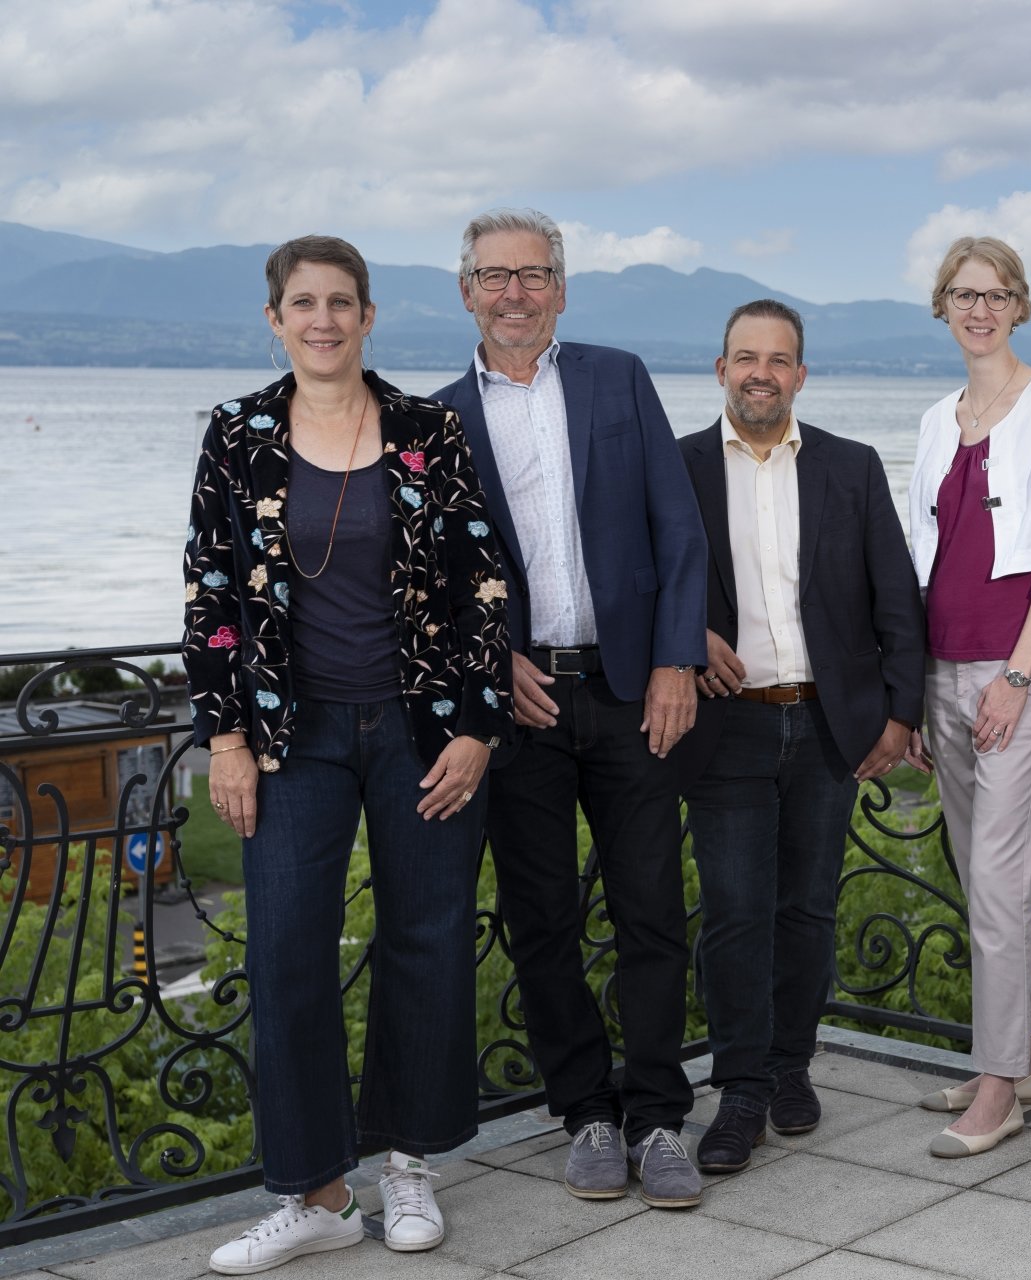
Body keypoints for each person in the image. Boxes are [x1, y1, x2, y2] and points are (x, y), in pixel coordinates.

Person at [185, 235, 514, 1274]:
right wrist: (225, 736)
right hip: (291, 739)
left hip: (420, 729)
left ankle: (409, 1163)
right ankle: (317, 1191)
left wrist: (476, 725)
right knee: (286, 953)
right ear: (275, 318)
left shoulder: (429, 429)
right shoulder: (238, 434)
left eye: (341, 302)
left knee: (427, 936)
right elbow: (209, 595)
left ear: (370, 317)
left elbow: (484, 586)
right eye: (302, 303)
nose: (322, 319)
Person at [431, 210, 709, 1208]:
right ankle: (586, 1109)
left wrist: (679, 656)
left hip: (635, 692)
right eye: (495, 275)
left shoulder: (617, 377)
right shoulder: (434, 419)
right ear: (466, 289)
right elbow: (432, 579)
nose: (515, 292)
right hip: (521, 707)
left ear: (562, 287)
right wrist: (490, 661)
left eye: (534, 274)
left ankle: (660, 1116)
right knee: (541, 918)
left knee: (653, 912)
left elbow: (677, 531)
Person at [675, 299, 926, 1172]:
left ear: (800, 375)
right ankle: (739, 1089)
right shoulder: (678, 469)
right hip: (727, 727)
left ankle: (792, 1066)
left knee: (808, 909)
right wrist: (683, 639)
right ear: (720, 369)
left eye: (778, 360)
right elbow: (639, 587)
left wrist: (901, 714)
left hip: (827, 723)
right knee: (737, 914)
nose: (761, 373)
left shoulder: (851, 468)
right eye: (746, 356)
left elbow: (896, 594)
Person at [903, 236, 1031, 1156]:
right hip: (942, 666)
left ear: (1020, 305)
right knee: (982, 872)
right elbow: (916, 556)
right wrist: (911, 688)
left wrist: (1020, 675)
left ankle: (997, 1090)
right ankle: (1020, 1064)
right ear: (942, 307)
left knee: (999, 883)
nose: (979, 309)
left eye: (996, 294)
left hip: (1017, 669)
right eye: (962, 294)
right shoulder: (938, 417)